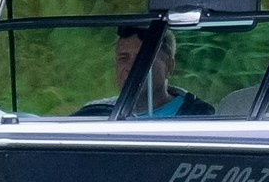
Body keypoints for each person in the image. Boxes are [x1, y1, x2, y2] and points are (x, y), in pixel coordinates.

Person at [77, 27, 215, 117]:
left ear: (169, 65)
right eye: (123, 58)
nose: (131, 67)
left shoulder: (199, 118)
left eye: (143, 58)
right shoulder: (93, 115)